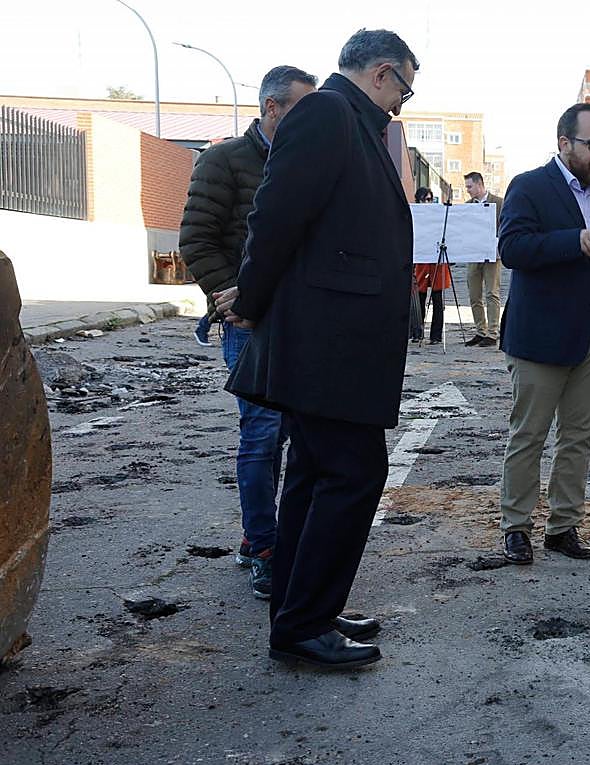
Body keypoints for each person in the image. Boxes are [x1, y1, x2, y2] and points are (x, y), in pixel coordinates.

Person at [218, 29, 419, 670]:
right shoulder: (328, 112)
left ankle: (300, 608)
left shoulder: (350, 120)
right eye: (403, 91)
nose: (400, 106)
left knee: (313, 470)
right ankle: (304, 622)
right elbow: (276, 215)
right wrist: (248, 300)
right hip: (327, 339)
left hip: (335, 337)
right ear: (382, 73)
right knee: (355, 473)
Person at [179, 65, 317, 599]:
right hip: (247, 322)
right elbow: (197, 239)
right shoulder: (224, 161)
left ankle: (256, 534)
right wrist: (233, 296)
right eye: (301, 110)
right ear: (272, 109)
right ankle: (264, 547)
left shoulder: (306, 161)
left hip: (301, 321)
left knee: (291, 435)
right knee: (261, 436)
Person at [497, 102, 590, 565]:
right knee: (530, 436)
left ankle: (563, 526)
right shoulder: (529, 187)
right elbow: (512, 249)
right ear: (565, 144)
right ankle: (516, 527)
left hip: (588, 340)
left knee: (578, 438)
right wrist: (569, 240)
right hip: (540, 339)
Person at [463, 172, 504, 347]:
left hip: (492, 254)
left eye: (469, 186)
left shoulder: (499, 203)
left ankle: (493, 333)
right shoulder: (467, 206)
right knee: (474, 294)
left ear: (480, 184)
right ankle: (481, 330)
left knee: (492, 293)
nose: (467, 190)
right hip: (474, 254)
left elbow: (505, 225)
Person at [411, 186, 451, 345]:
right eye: (424, 199)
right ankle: (417, 332)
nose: (427, 202)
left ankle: (436, 336)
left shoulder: (438, 214)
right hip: (421, 262)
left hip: (437, 263)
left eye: (430, 199)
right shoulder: (414, 214)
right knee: (419, 299)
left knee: (437, 300)